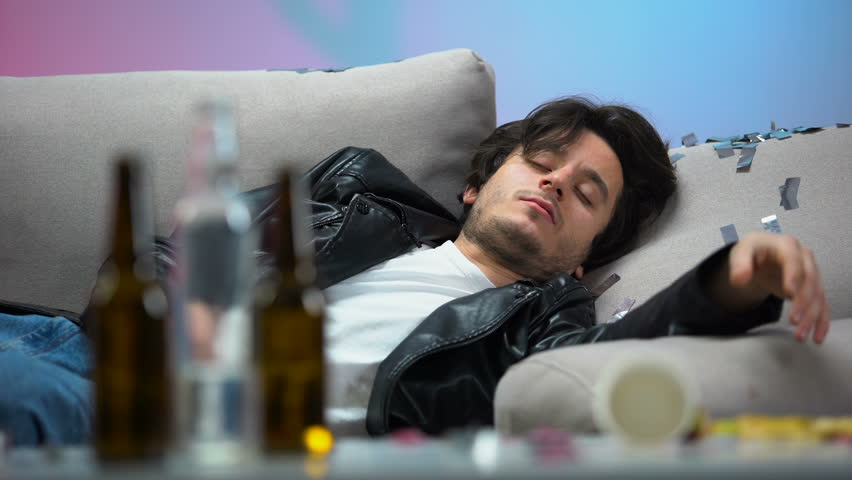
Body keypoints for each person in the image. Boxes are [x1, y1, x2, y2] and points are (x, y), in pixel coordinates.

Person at [0, 96, 830, 444]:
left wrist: (729, 279)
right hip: (75, 347)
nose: (554, 184)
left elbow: (613, 357)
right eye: (543, 162)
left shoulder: (542, 325)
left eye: (587, 193)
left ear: (588, 253)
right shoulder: (355, 190)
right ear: (475, 185)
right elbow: (170, 254)